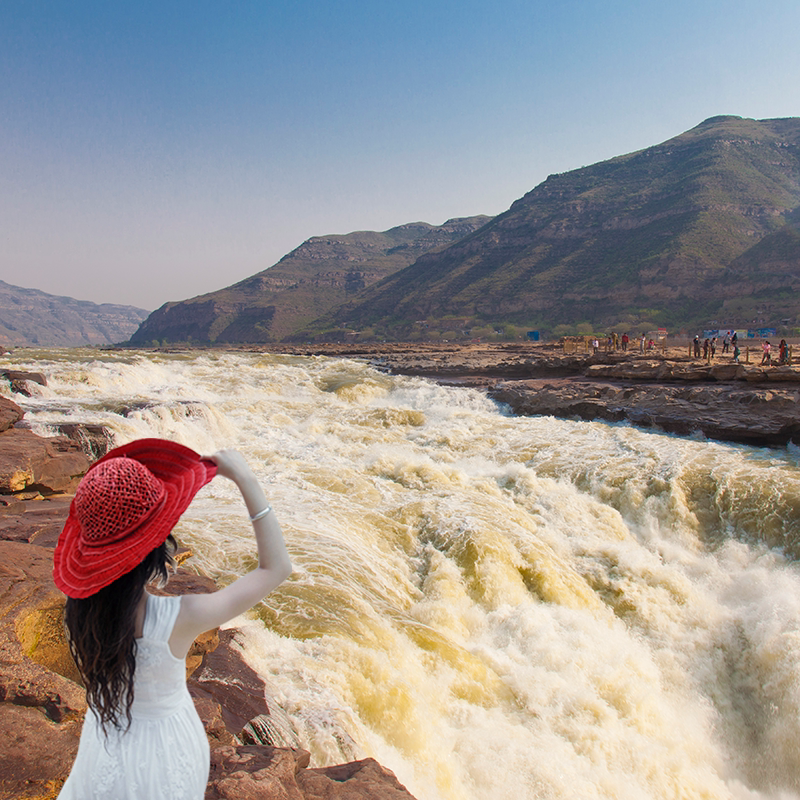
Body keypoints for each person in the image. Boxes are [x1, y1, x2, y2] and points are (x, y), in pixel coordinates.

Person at [54, 438, 292, 800]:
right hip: (168, 751)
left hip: (104, 744)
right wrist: (245, 478)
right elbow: (276, 568)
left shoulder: (78, 610)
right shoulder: (179, 617)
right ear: (154, 547)